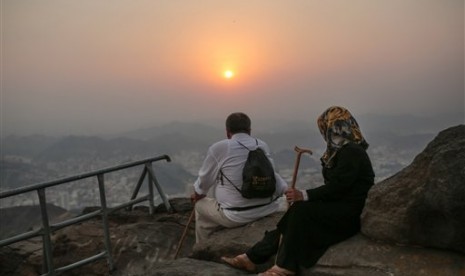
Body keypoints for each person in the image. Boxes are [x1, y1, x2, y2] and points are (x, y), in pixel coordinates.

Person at [221, 106, 375, 276]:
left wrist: (305, 195)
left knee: (300, 211)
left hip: (349, 213)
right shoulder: (340, 151)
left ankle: (284, 267)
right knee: (293, 217)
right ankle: (252, 257)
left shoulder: (352, 151)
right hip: (338, 206)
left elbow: (339, 185)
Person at [191, 112, 288, 243]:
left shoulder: (220, 148)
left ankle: (203, 247)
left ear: (227, 132)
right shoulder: (262, 145)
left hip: (236, 215)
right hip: (267, 208)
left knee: (200, 205)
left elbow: (204, 183)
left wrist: (197, 195)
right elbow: (272, 175)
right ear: (249, 130)